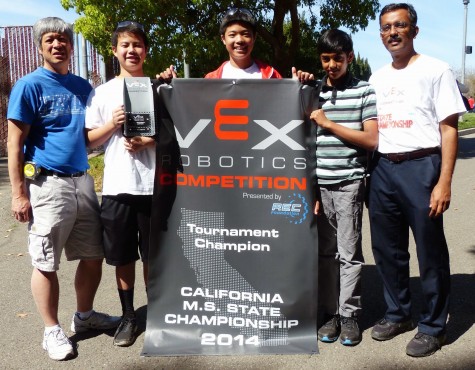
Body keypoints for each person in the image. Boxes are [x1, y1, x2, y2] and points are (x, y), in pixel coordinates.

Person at [6, 17, 120, 361]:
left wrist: (112, 126)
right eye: (50, 40)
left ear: (71, 45)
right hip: (46, 184)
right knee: (46, 261)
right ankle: (51, 329)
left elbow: (85, 140)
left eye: (63, 40)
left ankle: (84, 317)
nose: (58, 45)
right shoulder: (29, 86)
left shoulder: (83, 87)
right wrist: (18, 192)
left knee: (93, 255)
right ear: (41, 47)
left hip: (82, 180)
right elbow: (15, 142)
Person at [368, 3, 466, 357]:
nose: (392, 33)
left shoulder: (436, 70)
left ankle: (433, 326)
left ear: (414, 30)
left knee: (430, 251)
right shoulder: (377, 78)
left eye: (400, 25)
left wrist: (444, 181)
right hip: (382, 168)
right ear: (380, 35)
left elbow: (449, 129)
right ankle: (398, 313)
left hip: (422, 166)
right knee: (387, 250)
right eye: (386, 28)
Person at [85, 21, 156, 347]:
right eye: (125, 45)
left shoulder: (159, 89)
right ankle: (129, 317)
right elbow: (87, 142)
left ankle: (157, 315)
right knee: (123, 257)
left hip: (156, 187)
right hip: (117, 187)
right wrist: (112, 125)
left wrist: (148, 142)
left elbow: (178, 137)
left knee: (155, 256)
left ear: (145, 49)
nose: (132, 50)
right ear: (115, 51)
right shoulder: (102, 93)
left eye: (138, 44)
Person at [309, 29, 378, 346]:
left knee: (349, 254)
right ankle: (330, 313)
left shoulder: (364, 92)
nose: (332, 64)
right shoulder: (313, 91)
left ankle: (349, 316)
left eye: (338, 58)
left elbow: (371, 139)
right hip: (320, 184)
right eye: (326, 58)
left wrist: (329, 124)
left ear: (350, 57)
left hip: (349, 183)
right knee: (326, 253)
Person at [159, 7, 312, 81]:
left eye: (245, 34)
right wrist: (172, 86)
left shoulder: (272, 75)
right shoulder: (211, 80)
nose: (239, 40)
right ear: (223, 39)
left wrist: (300, 87)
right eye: (232, 35)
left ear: (254, 38)